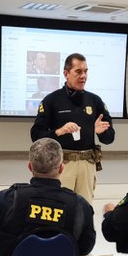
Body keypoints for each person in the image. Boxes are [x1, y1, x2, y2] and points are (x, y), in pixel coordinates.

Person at [31, 53, 115, 204]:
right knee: (60, 207)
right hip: (62, 164)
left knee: (85, 207)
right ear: (66, 73)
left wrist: (101, 133)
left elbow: (110, 138)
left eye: (86, 71)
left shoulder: (95, 101)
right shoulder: (51, 100)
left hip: (87, 164)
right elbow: (36, 135)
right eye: (78, 71)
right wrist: (59, 131)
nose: (83, 76)